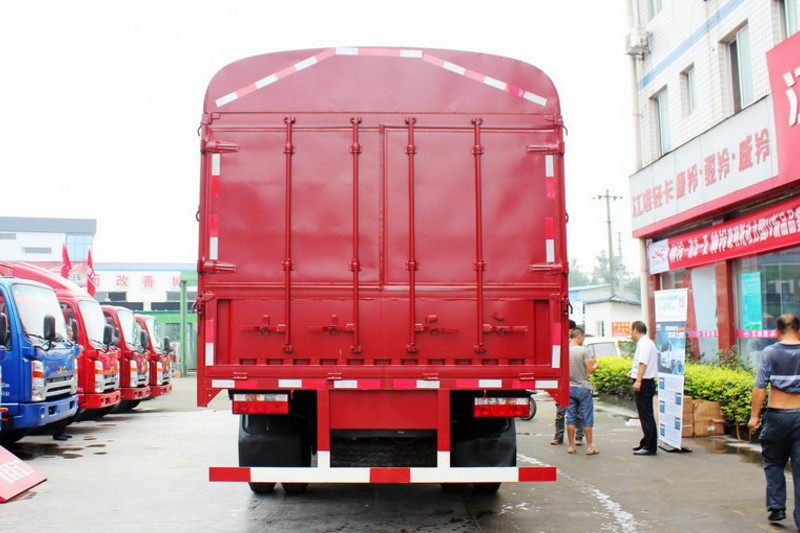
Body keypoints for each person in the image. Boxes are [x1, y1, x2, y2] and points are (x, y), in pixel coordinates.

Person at [748, 313, 800, 527]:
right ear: (799, 331)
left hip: (777, 415)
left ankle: (777, 507)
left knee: (773, 462)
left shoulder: (770, 352)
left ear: (776, 332)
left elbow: (760, 387)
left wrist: (754, 417)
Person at [566, 327, 599, 455]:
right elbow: (589, 370)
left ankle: (571, 446)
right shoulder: (584, 351)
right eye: (583, 337)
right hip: (583, 388)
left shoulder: (565, 351)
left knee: (570, 417)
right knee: (587, 417)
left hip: (569, 387)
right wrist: (595, 366)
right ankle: (590, 447)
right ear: (579, 336)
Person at [552, 319, 584, 445]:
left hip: (576, 382)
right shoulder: (559, 344)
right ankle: (558, 436)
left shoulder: (579, 346)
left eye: (569, 329)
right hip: (563, 383)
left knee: (578, 412)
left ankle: (579, 436)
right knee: (560, 411)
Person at [629, 320, 658, 456]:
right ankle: (646, 442)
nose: (630, 334)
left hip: (645, 382)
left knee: (646, 415)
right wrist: (634, 374)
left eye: (631, 331)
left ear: (635, 330)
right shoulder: (645, 343)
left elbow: (643, 364)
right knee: (644, 414)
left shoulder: (645, 344)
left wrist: (638, 380)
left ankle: (649, 447)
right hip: (644, 381)